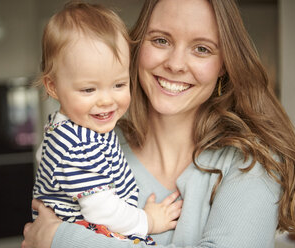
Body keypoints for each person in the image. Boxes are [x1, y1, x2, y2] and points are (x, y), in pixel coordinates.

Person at [23, 0, 295, 247]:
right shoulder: (98, 145)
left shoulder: (251, 162)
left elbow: (54, 235)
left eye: (201, 48)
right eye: (161, 40)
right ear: (137, 48)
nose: (175, 64)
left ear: (224, 64)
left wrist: (59, 240)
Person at [31, 1, 182, 246]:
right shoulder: (79, 144)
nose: (106, 100)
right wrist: (148, 221)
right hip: (85, 232)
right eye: (89, 89)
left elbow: (44, 157)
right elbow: (102, 213)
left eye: (119, 85)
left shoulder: (67, 128)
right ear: (53, 87)